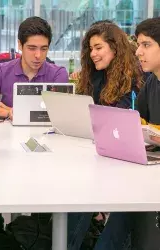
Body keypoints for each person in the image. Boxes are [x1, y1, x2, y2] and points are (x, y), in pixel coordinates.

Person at [67, 21, 143, 250]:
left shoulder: (135, 79)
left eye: (98, 48)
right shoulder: (98, 76)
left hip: (124, 162)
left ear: (115, 47)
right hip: (100, 153)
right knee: (75, 192)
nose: (93, 54)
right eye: (90, 49)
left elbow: (122, 122)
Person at [91, 17, 160, 250]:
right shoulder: (152, 83)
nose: (139, 52)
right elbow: (136, 123)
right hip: (147, 174)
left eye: (146, 45)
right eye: (138, 44)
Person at [0, 16, 69, 120]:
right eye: (32, 48)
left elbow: (58, 112)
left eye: (44, 49)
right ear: (20, 44)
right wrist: (9, 112)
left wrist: (9, 109)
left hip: (45, 135)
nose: (38, 55)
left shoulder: (59, 73)